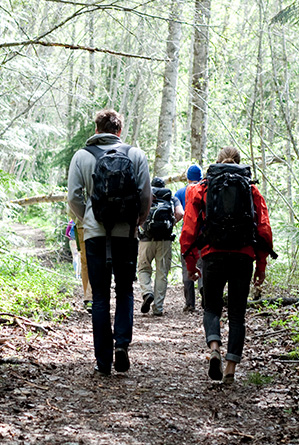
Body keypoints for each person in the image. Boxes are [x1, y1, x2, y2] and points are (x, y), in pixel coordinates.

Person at [67, 109, 151, 376]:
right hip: (126, 234)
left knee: (100, 296)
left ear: (96, 130)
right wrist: (136, 222)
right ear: (119, 131)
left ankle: (103, 361)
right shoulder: (135, 155)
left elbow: (73, 196)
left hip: (94, 233)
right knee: (125, 290)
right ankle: (122, 345)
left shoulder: (82, 156)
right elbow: (146, 195)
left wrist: (88, 218)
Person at [180, 146, 274, 384]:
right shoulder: (251, 190)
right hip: (244, 256)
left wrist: (191, 263)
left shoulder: (201, 188)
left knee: (211, 308)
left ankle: (214, 348)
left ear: (218, 162)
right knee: (237, 314)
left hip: (213, 255)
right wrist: (261, 265)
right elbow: (263, 229)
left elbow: (189, 228)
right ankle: (230, 368)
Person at [138, 177, 184, 316]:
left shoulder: (146, 196)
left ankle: (147, 292)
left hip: (146, 240)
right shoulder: (171, 197)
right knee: (161, 273)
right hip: (165, 240)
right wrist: (171, 223)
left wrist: (143, 226)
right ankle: (158, 308)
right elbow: (180, 213)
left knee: (143, 269)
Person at [174, 165, 203, 312]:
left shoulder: (180, 193)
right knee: (203, 266)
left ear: (187, 177)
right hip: (203, 235)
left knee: (187, 268)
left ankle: (190, 303)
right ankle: (205, 297)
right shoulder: (205, 190)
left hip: (188, 234)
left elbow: (178, 214)